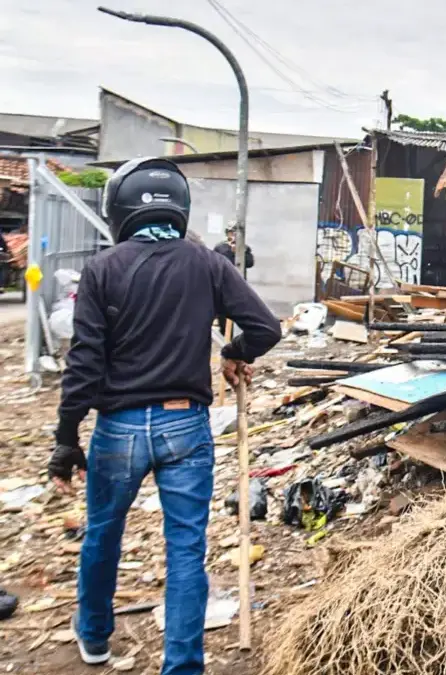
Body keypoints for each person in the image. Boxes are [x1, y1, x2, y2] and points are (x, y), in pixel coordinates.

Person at [48, 157, 281, 673]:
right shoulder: (209, 264)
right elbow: (266, 329)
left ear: (119, 208)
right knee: (185, 550)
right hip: (186, 427)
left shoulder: (102, 270)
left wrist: (66, 438)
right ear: (179, 205)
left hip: (119, 431)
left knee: (103, 534)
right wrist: (232, 352)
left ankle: (94, 637)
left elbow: (83, 365)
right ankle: (182, 665)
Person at [214, 226, 253, 335]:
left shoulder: (244, 247)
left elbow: (250, 262)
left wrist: (242, 252)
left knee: (240, 310)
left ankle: (238, 334)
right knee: (223, 311)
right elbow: (219, 262)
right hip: (223, 284)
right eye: (231, 233)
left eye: (236, 233)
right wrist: (232, 252)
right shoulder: (221, 247)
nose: (234, 235)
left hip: (240, 284)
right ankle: (225, 334)